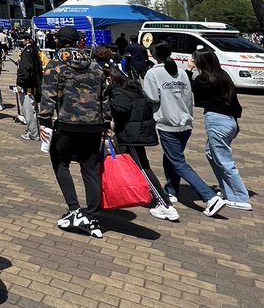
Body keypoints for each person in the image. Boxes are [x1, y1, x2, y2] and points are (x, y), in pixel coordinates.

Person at [38, 27, 111, 239]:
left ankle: (74, 209)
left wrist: (44, 122)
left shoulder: (56, 65)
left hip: (66, 124)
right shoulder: (95, 66)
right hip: (94, 125)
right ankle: (93, 216)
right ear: (78, 42)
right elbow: (104, 97)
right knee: (91, 169)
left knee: (60, 162)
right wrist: (107, 122)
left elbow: (48, 96)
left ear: (59, 42)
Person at [143, 41, 225, 217]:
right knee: (172, 157)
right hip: (185, 122)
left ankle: (210, 197)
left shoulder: (153, 73)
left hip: (168, 122)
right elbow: (188, 97)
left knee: (178, 161)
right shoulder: (181, 72)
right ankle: (171, 190)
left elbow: (152, 97)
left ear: (154, 55)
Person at [107, 60, 179, 222]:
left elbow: (121, 108)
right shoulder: (132, 87)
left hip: (131, 134)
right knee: (138, 165)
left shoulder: (118, 91)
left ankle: (165, 205)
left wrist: (108, 106)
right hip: (139, 130)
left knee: (142, 167)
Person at [190, 49, 250, 210]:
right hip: (229, 120)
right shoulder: (222, 75)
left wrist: (189, 70)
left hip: (217, 120)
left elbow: (190, 87)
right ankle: (228, 191)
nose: (192, 62)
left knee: (224, 160)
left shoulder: (204, 78)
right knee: (211, 153)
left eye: (194, 60)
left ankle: (241, 197)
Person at [15, 36, 43, 141]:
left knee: (29, 110)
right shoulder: (33, 50)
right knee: (33, 109)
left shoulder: (27, 52)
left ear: (27, 40)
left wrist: (20, 83)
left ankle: (33, 133)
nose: (20, 41)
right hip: (34, 84)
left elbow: (26, 69)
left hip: (27, 86)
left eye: (22, 39)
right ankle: (35, 131)